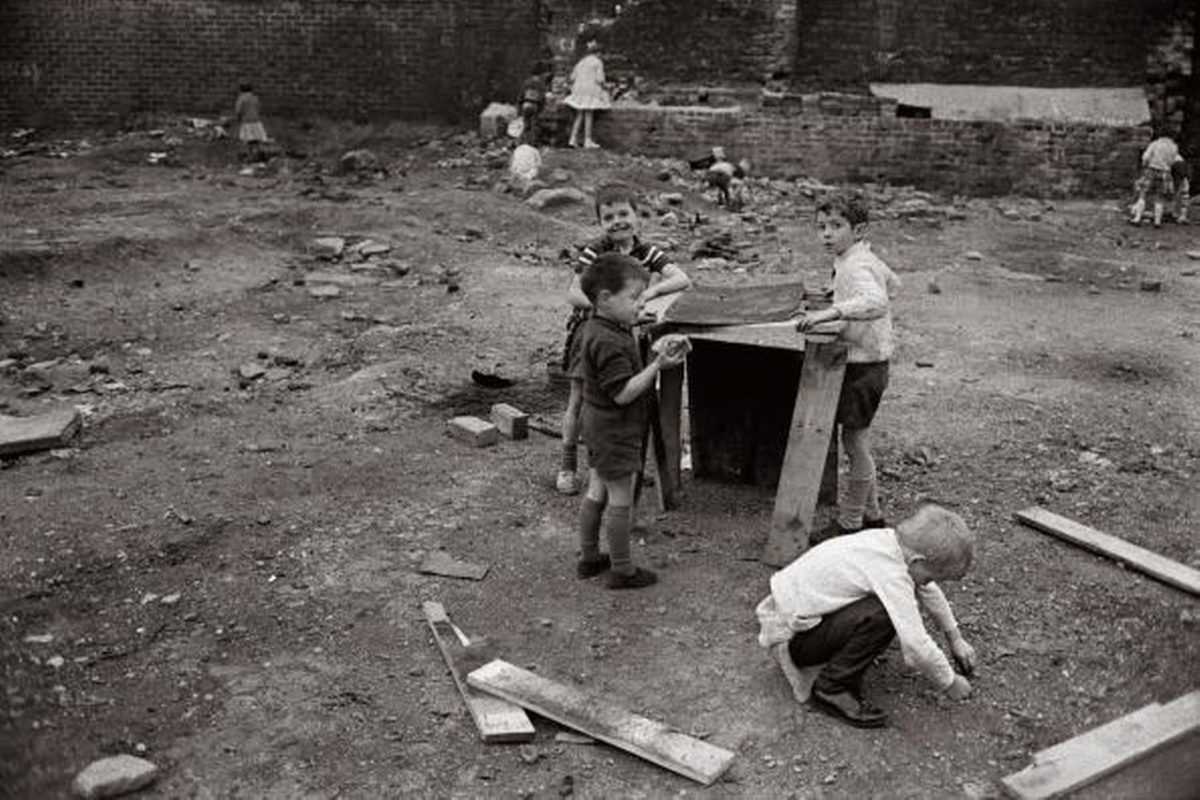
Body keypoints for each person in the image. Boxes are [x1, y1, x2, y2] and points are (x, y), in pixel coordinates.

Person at [755, 504, 978, 728]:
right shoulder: (891, 573)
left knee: (891, 604)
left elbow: (927, 590)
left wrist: (955, 637)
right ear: (917, 561)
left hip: (790, 614)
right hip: (791, 636)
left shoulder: (889, 543)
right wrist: (948, 682)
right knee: (883, 615)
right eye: (931, 576)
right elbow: (915, 645)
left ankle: (839, 662)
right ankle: (832, 688)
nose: (930, 583)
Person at [557, 183, 692, 495]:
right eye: (609, 217)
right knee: (581, 400)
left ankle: (622, 463)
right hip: (590, 332)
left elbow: (682, 278)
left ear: (637, 218)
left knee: (628, 396)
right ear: (601, 223)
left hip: (626, 335)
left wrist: (652, 291)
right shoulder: (596, 251)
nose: (617, 221)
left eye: (623, 214)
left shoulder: (646, 252)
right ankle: (567, 464)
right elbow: (573, 293)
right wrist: (607, 308)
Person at [574, 253, 687, 589]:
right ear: (605, 299)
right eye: (634, 298)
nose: (641, 304)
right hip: (615, 428)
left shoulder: (600, 326)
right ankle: (622, 570)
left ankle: (589, 556)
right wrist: (658, 365)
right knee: (620, 498)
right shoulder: (608, 341)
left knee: (597, 490)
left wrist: (640, 326)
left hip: (597, 424)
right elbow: (623, 393)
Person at [795, 193, 899, 541]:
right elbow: (892, 281)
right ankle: (872, 516)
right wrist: (837, 293)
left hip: (865, 366)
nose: (826, 234)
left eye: (836, 226)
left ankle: (851, 522)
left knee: (855, 443)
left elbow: (877, 300)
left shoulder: (857, 265)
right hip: (865, 361)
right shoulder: (856, 259)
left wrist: (833, 311)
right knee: (856, 441)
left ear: (859, 230)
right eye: (821, 227)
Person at [565, 38, 611, 149]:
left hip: (578, 90)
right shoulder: (597, 62)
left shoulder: (581, 62)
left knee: (580, 114)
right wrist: (607, 87)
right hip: (591, 90)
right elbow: (600, 79)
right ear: (598, 53)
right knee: (589, 114)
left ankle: (572, 138)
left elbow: (572, 77)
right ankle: (587, 140)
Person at [1129, 131, 1182, 228]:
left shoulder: (1155, 144)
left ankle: (1137, 218)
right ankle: (1157, 222)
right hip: (1165, 173)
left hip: (1152, 170)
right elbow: (1175, 160)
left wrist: (1145, 165)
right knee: (1160, 198)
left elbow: (1145, 157)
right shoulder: (1174, 147)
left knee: (1143, 194)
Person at [516, 62, 551, 147]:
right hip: (534, 105)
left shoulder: (526, 82)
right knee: (534, 124)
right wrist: (542, 107)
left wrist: (519, 108)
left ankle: (521, 141)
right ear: (541, 73)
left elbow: (521, 95)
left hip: (525, 104)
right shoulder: (540, 83)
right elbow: (542, 97)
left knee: (525, 124)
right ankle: (533, 142)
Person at [232, 83, 269, 162]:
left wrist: (238, 118)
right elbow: (259, 108)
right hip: (256, 121)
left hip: (247, 122)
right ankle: (260, 153)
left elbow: (238, 110)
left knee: (248, 140)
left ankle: (250, 155)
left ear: (241, 90)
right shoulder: (255, 98)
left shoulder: (241, 99)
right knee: (258, 139)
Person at [1171, 155, 1190, 224]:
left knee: (1182, 194)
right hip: (1179, 170)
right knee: (1183, 194)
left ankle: (1179, 215)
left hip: (1178, 169)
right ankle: (1179, 215)